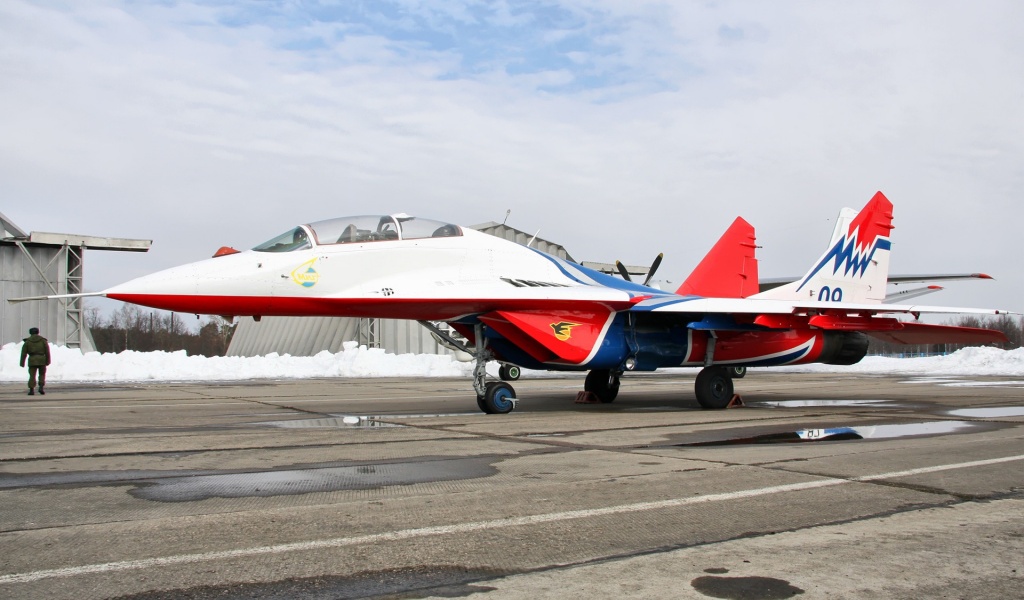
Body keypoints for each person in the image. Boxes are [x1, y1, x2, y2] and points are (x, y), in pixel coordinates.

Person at [19, 327, 51, 396]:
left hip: (32, 360)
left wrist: (22, 362)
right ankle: (41, 387)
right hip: (42, 359)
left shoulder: (27, 342)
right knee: (42, 374)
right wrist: (48, 361)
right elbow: (47, 352)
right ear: (38, 332)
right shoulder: (43, 341)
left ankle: (31, 390)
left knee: (32, 375)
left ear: (30, 333)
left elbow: (23, 353)